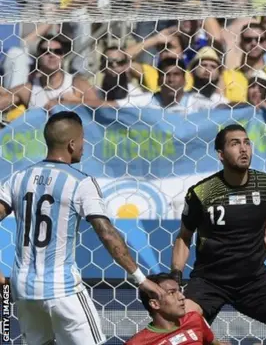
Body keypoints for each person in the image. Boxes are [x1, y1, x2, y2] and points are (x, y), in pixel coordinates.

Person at [0, 111, 165, 345]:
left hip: (24, 290)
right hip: (63, 289)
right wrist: (141, 279)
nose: (84, 146)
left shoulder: (18, 178)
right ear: (71, 143)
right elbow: (106, 233)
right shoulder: (80, 182)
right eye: (83, 139)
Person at [171, 124, 266, 345]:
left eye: (246, 142)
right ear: (221, 155)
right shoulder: (201, 193)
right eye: (235, 143)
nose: (243, 149)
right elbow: (184, 237)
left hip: (254, 281)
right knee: (179, 331)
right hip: (209, 281)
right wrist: (176, 277)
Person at [126, 273, 226, 345]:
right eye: (171, 293)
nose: (182, 297)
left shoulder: (194, 319)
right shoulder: (137, 343)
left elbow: (215, 343)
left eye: (179, 291)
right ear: (155, 304)